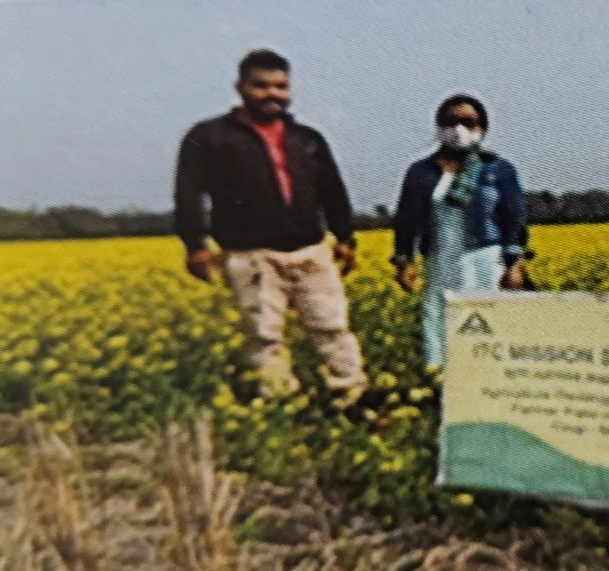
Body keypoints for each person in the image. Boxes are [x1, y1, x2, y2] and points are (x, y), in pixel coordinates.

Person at [174, 49, 367, 403]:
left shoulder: (307, 138)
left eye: (280, 86)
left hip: (310, 250)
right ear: (241, 87)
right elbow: (187, 193)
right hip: (251, 253)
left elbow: (332, 190)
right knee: (263, 335)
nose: (272, 94)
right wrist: (194, 245)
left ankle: (352, 396)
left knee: (333, 327)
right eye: (261, 86)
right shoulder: (210, 136)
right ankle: (278, 402)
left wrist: (345, 237)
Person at [391, 94, 529, 369]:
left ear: (483, 128)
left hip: (485, 260)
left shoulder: (498, 170)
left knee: (488, 321)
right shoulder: (420, 172)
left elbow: (514, 219)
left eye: (468, 122)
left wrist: (515, 263)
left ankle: (490, 385)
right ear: (438, 126)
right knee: (439, 319)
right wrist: (404, 260)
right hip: (441, 258)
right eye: (450, 122)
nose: (459, 129)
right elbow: (406, 219)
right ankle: (441, 384)